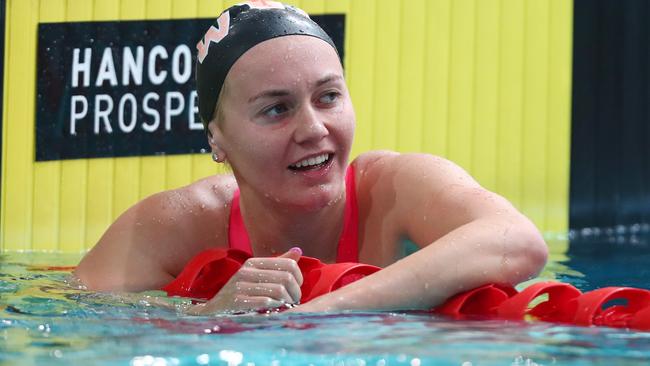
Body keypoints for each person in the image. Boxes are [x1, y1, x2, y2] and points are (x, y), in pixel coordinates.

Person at [74, 0, 548, 314]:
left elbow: (519, 241)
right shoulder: (178, 225)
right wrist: (204, 316)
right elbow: (69, 319)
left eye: (328, 97)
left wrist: (328, 309)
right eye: (276, 109)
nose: (314, 129)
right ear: (217, 139)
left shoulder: (397, 189)